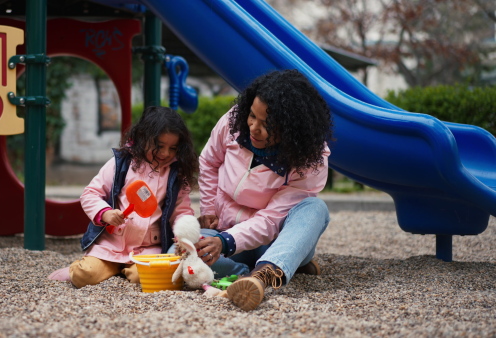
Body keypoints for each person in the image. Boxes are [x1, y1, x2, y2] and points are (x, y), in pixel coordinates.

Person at [191, 69, 333, 311]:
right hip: (228, 235)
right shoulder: (234, 121)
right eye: (252, 116)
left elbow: (270, 220)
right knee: (177, 250)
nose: (253, 128)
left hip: (274, 238)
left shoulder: (311, 161)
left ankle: (262, 277)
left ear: (291, 129)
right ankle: (275, 267)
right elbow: (209, 162)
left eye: (266, 124)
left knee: (315, 208)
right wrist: (208, 210)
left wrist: (226, 242)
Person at [48, 106, 199, 288]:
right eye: (159, 146)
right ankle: (84, 268)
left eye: (172, 148)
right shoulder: (122, 163)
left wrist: (184, 234)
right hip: (111, 245)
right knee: (84, 276)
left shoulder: (176, 175)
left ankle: (124, 271)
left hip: (148, 248)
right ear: (144, 138)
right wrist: (105, 213)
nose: (165, 153)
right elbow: (90, 194)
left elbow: (181, 211)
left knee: (145, 279)